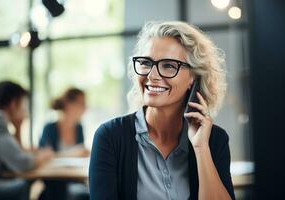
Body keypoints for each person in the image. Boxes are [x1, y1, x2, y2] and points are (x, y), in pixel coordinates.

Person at [89, 21, 235, 200]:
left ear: (193, 77)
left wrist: (201, 148)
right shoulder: (111, 137)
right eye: (146, 63)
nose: (152, 75)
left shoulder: (213, 140)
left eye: (168, 65)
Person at [0, 81, 54, 200]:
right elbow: (23, 163)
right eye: (23, 103)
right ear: (13, 103)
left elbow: (15, 156)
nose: (25, 109)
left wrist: (19, 127)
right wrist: (43, 156)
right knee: (25, 184)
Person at [39, 88, 89, 200]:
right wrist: (73, 153)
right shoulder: (50, 128)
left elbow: (81, 154)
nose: (86, 108)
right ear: (69, 105)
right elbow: (45, 155)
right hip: (54, 180)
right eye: (82, 103)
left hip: (75, 179)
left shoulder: (79, 128)